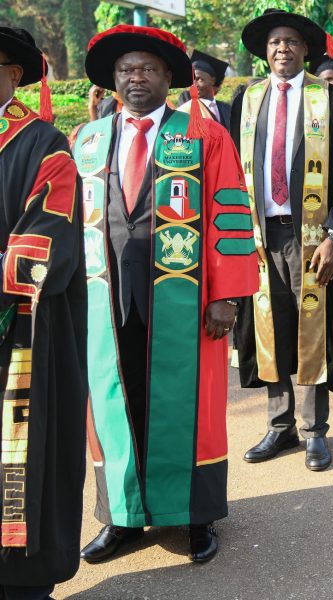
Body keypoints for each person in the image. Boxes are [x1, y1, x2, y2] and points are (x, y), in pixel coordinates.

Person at [75, 24, 258, 565]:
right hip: (104, 299)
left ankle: (194, 515)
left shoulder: (201, 134)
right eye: (127, 70)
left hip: (183, 297)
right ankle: (122, 517)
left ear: (168, 78)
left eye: (148, 69)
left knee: (189, 407)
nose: (137, 78)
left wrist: (227, 295)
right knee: (114, 405)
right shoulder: (88, 140)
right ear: (112, 79)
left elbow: (230, 211)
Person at [232, 9, 333, 472]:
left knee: (312, 325)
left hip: (311, 234)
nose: (282, 49)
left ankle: (314, 431)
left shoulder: (330, 99)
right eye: (274, 42)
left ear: (305, 49)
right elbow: (232, 171)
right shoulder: (246, 99)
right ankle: (280, 424)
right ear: (264, 50)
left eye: (291, 41)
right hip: (260, 234)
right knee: (269, 325)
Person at [0, 27, 87, 600]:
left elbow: (48, 243)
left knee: (17, 467)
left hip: (23, 337)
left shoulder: (43, 144)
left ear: (13, 74)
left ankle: (22, 581)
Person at [177, 50, 232, 131]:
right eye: (192, 80)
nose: (194, 85)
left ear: (212, 80)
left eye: (199, 79)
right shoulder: (186, 110)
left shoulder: (226, 108)